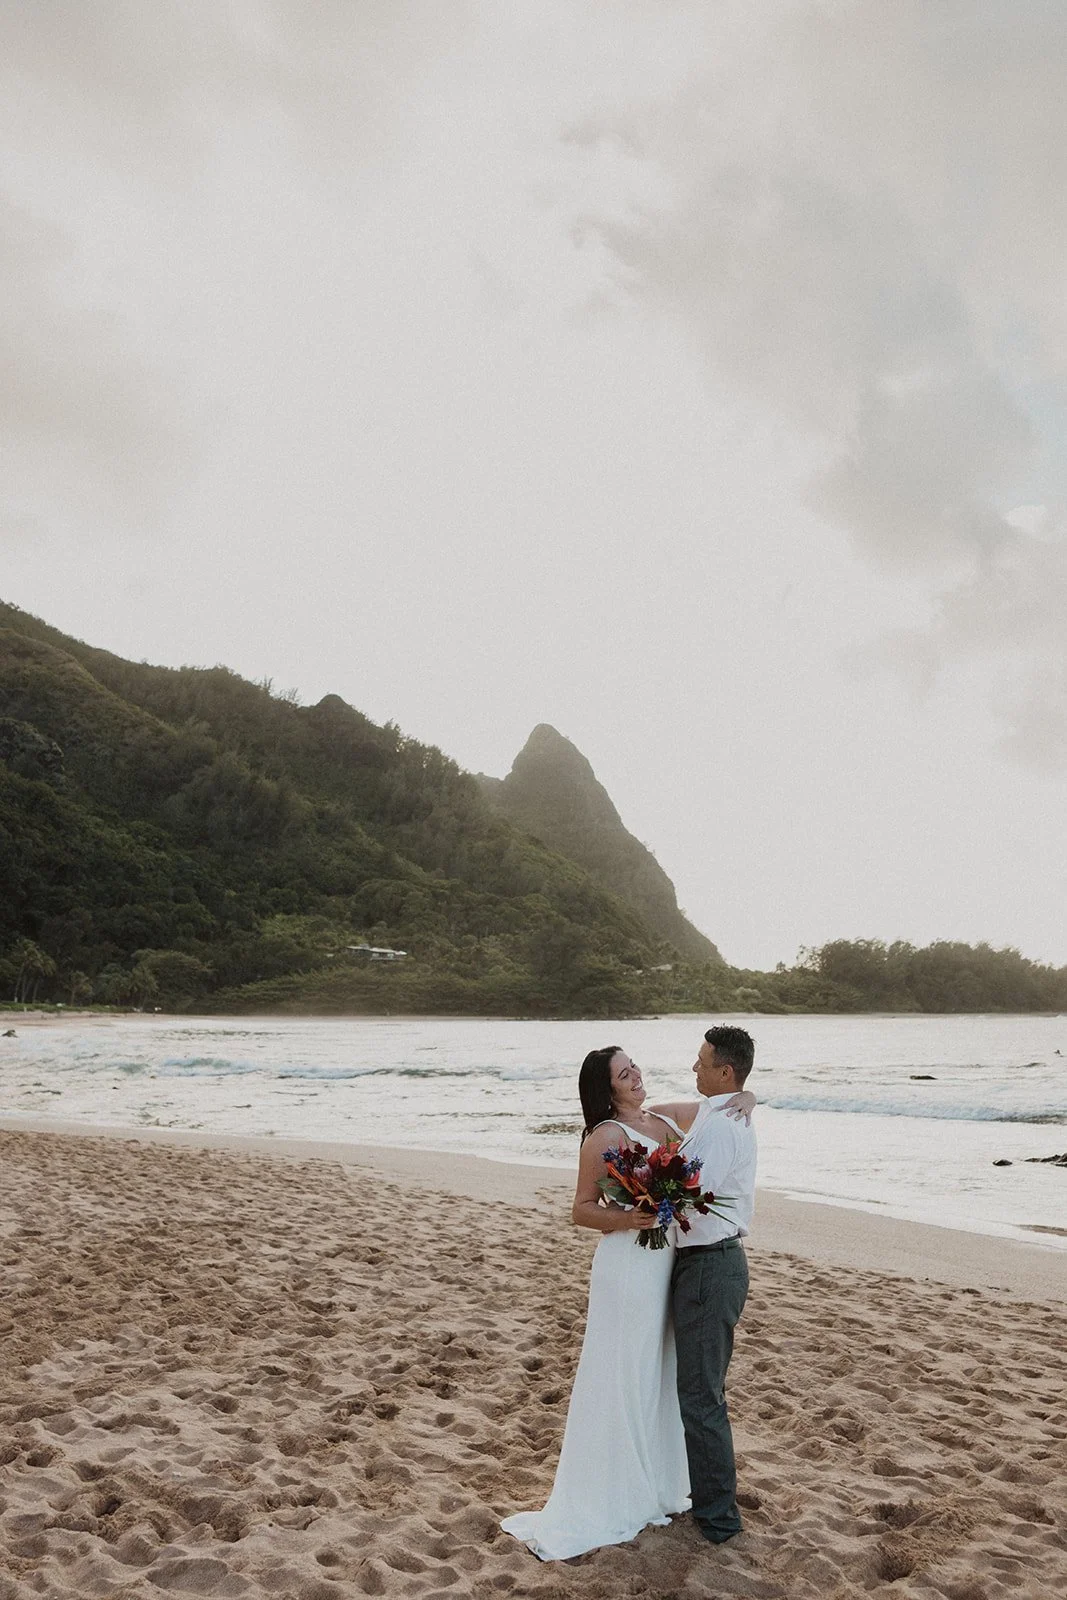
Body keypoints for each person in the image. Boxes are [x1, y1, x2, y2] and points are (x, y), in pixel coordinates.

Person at [500, 1043, 754, 1561]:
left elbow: (717, 1104)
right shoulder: (605, 1135)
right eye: (623, 1073)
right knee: (622, 1371)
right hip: (629, 1264)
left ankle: (653, 1481)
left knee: (657, 1373)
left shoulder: (662, 1118)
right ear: (607, 1088)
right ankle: (612, 1488)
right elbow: (581, 1209)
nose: (636, 1075)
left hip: (668, 1265)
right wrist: (628, 1218)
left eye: (633, 1065)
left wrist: (749, 1096)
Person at [651, 1025, 757, 1545]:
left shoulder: (722, 1126)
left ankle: (718, 1520)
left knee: (700, 1396)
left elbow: (692, 1196)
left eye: (701, 1061)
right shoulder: (718, 1114)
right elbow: (659, 1117)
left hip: (711, 1268)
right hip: (706, 1265)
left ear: (725, 1071)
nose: (694, 1067)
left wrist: (643, 1198)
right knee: (699, 1390)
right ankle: (710, 1504)